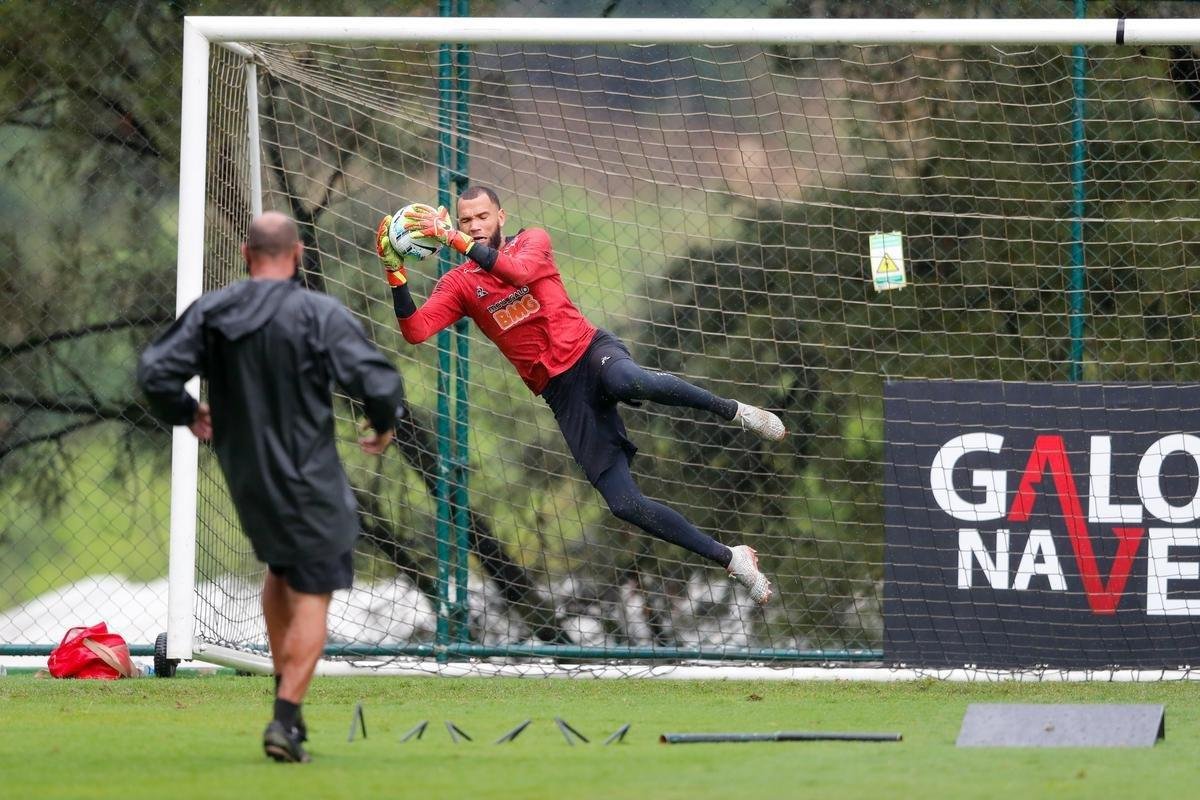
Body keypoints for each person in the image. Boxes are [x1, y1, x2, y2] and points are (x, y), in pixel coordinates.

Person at [375, 187, 783, 605]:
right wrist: (394, 272)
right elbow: (416, 330)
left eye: (482, 217)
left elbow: (517, 273)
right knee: (623, 504)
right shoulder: (460, 283)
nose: (475, 226)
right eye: (466, 221)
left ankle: (736, 412)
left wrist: (452, 238)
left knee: (628, 381)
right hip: (562, 393)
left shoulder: (532, 241)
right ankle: (732, 558)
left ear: (501, 216)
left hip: (591, 354)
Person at [138, 212, 405, 763]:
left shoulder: (213, 311)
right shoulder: (318, 313)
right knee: (313, 592)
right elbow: (378, 381)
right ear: (298, 254)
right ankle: (284, 719)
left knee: (281, 570)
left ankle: (290, 708)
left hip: (245, 475)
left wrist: (188, 411)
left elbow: (154, 371)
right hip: (308, 475)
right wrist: (382, 424)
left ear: (245, 254)